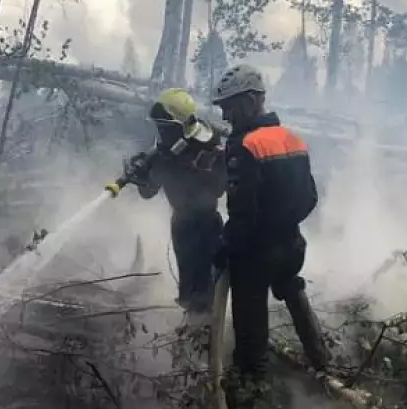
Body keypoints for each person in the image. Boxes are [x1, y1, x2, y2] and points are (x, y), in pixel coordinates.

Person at [210, 64, 328, 377]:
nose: (225, 118)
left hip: (256, 255)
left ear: (250, 101)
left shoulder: (244, 146)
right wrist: (281, 225)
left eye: (229, 108)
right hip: (291, 246)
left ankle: (252, 397)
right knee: (291, 288)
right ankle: (323, 362)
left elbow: (243, 213)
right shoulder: (291, 138)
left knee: (250, 339)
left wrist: (226, 246)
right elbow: (311, 198)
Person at [122, 88, 226, 314]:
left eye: (164, 127)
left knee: (209, 288)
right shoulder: (163, 155)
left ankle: (210, 334)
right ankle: (192, 332)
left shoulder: (209, 145)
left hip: (207, 224)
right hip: (182, 223)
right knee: (189, 290)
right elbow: (148, 192)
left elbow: (219, 187)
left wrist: (194, 167)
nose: (160, 132)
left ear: (179, 126)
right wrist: (140, 176)